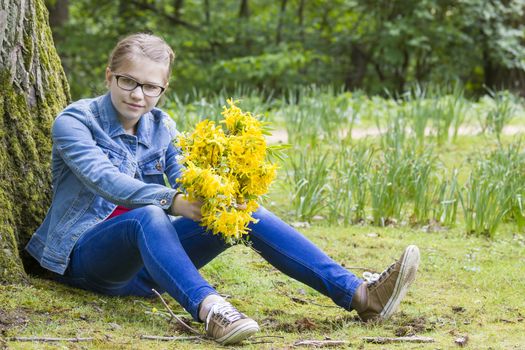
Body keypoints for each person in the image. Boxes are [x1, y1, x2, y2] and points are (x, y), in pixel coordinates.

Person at [26, 33, 420, 345]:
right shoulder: (75, 121)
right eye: (128, 81)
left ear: (163, 89)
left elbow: (185, 179)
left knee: (243, 213)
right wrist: (173, 201)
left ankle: (360, 297)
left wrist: (223, 194)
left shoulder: (161, 127)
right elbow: (103, 179)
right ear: (109, 75)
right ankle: (212, 311)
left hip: (149, 269)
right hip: (83, 260)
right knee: (147, 214)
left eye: (151, 87)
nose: (138, 95)